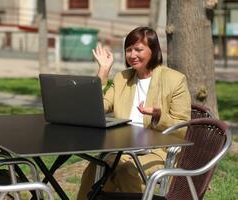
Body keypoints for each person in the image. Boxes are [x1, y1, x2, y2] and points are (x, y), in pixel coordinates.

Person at [76, 27, 191, 200]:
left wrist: (159, 117)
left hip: (157, 151)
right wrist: (103, 71)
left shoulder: (174, 80)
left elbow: (183, 128)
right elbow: (97, 108)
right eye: (128, 50)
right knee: (94, 169)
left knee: (126, 170)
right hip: (122, 149)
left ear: (154, 50)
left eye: (138, 49)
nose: (132, 55)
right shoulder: (122, 78)